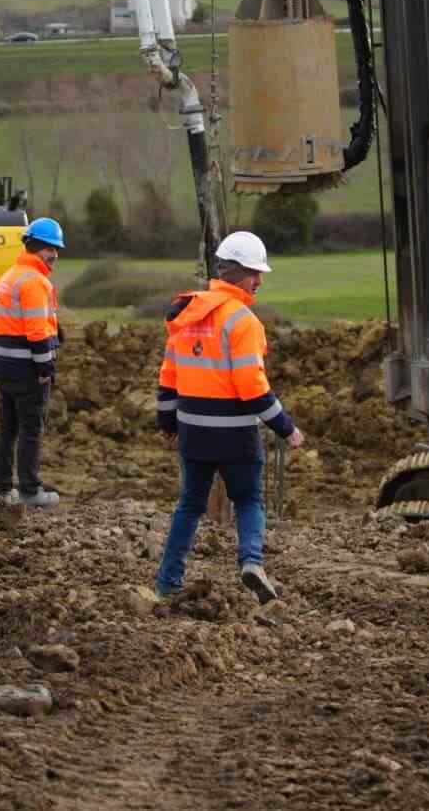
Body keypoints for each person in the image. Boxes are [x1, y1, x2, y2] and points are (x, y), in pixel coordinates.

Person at [154, 231, 305, 604]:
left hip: (194, 433)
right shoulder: (243, 321)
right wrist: (285, 427)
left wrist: (168, 423)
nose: (260, 281)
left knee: (190, 505)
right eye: (255, 273)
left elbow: (168, 377)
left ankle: (167, 582)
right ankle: (251, 561)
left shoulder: (186, 315)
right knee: (250, 500)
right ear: (237, 272)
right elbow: (252, 386)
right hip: (236, 435)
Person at [0, 217, 65, 508]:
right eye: (51, 249)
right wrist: (46, 368)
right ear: (37, 248)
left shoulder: (8, 276)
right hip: (27, 369)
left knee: (7, 428)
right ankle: (30, 491)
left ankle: (1, 488)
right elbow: (36, 331)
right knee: (31, 430)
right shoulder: (34, 282)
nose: (55, 255)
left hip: (5, 366)